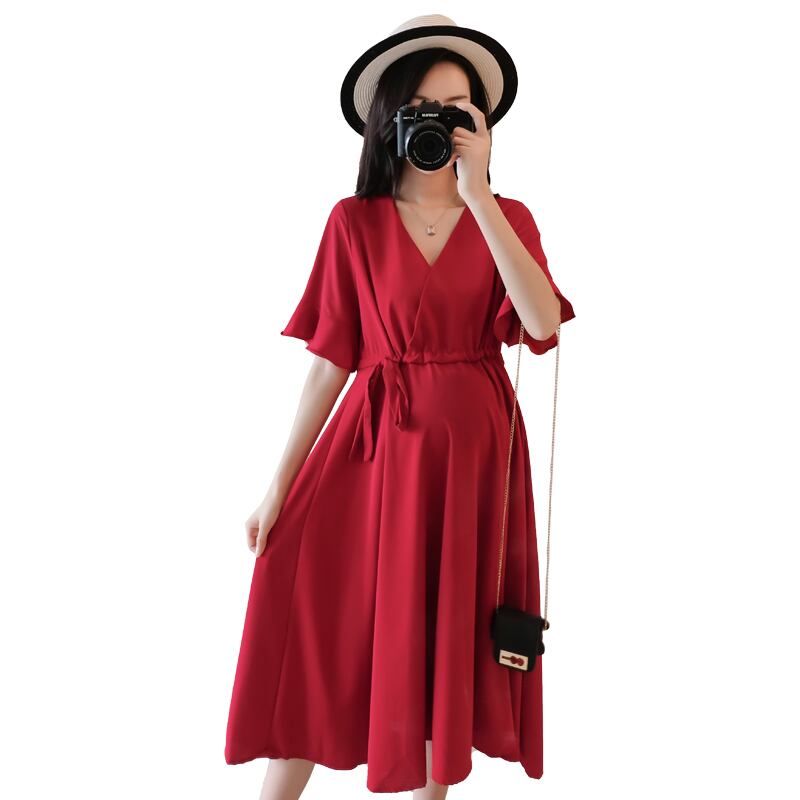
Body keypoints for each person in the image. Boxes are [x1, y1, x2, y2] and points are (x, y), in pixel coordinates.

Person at [225, 14, 576, 800]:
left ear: (480, 124)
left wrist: (477, 195)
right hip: (373, 450)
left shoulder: (508, 219)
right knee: (325, 625)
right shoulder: (352, 222)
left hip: (472, 461)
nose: (439, 124)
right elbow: (330, 362)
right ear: (389, 119)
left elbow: (541, 325)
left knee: (442, 645)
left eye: (457, 110)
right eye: (421, 108)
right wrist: (277, 487)